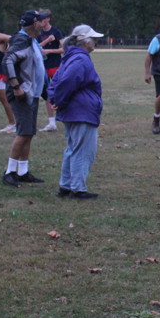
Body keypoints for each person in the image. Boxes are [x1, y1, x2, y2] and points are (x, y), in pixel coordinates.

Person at [50, 25, 104, 198]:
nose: (95, 42)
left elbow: (56, 81)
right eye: (93, 39)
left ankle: (66, 186)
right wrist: (59, 100)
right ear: (85, 41)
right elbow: (67, 81)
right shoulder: (81, 59)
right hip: (82, 110)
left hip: (73, 110)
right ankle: (78, 189)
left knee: (73, 148)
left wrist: (55, 98)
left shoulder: (70, 57)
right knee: (83, 151)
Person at [0, 10, 46, 187]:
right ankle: (10, 172)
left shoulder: (31, 40)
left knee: (28, 132)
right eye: (41, 21)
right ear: (34, 24)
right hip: (22, 93)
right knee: (23, 132)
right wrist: (16, 86)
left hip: (31, 92)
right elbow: (7, 61)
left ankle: (23, 171)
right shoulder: (22, 40)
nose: (43, 24)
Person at [37, 9, 63, 132]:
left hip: (56, 65)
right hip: (43, 67)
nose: (41, 21)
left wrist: (50, 51)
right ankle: (51, 123)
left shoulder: (56, 32)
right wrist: (46, 41)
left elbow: (64, 49)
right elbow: (36, 47)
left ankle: (66, 118)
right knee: (47, 94)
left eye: (43, 19)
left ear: (48, 19)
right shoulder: (38, 33)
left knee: (60, 92)